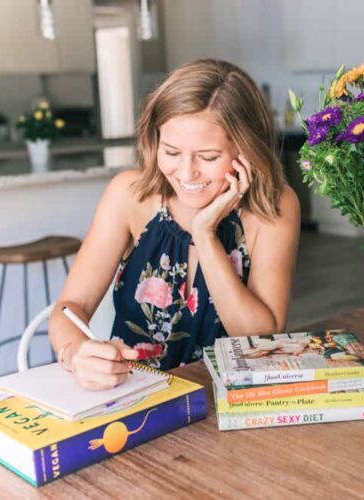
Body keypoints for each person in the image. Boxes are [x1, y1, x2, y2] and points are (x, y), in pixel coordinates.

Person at [48, 59, 300, 390]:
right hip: (135, 397)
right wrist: (75, 352)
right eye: (171, 152)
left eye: (208, 157)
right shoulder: (130, 195)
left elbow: (261, 336)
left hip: (229, 402)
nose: (186, 173)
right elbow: (70, 308)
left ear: (246, 150)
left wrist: (205, 234)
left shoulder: (274, 205)